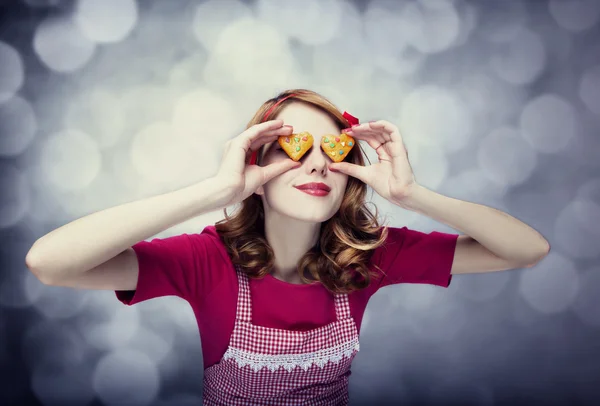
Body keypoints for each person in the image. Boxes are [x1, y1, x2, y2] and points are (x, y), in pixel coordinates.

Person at [25, 89, 550, 405]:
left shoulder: (370, 256)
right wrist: (216, 191)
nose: (319, 164)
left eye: (335, 151)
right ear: (257, 162)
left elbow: (526, 249)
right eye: (295, 149)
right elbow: (48, 263)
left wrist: (413, 195)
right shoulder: (207, 262)